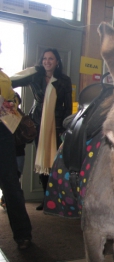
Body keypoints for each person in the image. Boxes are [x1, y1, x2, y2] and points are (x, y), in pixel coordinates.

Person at [11, 48, 72, 210]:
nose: (47, 61)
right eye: (44, 58)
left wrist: (64, 128)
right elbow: (13, 82)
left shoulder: (64, 80)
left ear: (57, 61)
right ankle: (47, 198)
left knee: (55, 163)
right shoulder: (35, 76)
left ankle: (57, 198)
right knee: (42, 159)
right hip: (38, 124)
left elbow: (68, 108)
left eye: (51, 58)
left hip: (57, 126)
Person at [0, 40, 32, 249]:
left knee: (11, 185)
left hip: (3, 132)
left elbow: (13, 98)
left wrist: (12, 102)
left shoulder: (2, 77)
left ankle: (23, 235)